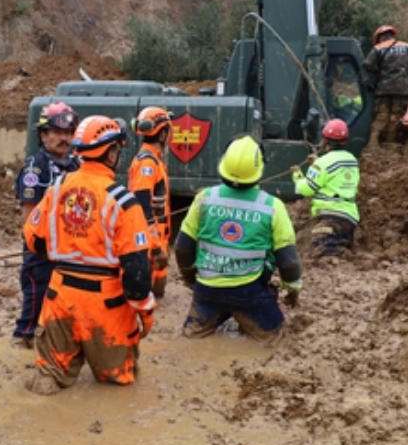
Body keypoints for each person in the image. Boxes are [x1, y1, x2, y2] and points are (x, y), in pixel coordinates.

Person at [22, 115, 154, 394]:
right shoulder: (124, 202)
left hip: (60, 297)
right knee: (118, 384)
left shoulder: (56, 189)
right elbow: (137, 273)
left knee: (47, 380)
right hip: (107, 306)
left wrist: (71, 247)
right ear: (111, 153)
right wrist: (146, 310)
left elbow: (33, 239)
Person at [174, 135, 302, 342]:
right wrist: (292, 290)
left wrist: (191, 279)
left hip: (207, 289)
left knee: (192, 337)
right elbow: (289, 262)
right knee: (275, 339)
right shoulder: (272, 207)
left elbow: (182, 248)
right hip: (250, 293)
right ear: (259, 169)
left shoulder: (204, 198)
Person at [13, 101, 80, 348]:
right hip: (41, 246)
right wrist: (42, 244)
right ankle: (24, 337)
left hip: (70, 246)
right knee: (36, 292)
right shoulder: (35, 170)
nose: (64, 138)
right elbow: (29, 215)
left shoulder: (76, 166)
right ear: (43, 135)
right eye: (58, 132)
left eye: (69, 132)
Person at [290, 118, 360, 258]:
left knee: (322, 253)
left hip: (329, 217)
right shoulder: (352, 160)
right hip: (349, 219)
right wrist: (317, 163)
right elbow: (336, 175)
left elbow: (306, 190)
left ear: (324, 141)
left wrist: (297, 175)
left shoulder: (322, 163)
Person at [127, 106, 173, 298]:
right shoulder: (147, 163)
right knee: (146, 295)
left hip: (157, 238)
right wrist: (154, 247)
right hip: (150, 241)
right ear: (162, 134)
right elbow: (142, 206)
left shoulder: (154, 160)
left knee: (156, 294)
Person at [363, 24, 408, 148]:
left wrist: (377, 73)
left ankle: (373, 143)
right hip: (402, 88)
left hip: (383, 88)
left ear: (380, 37)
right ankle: (391, 143)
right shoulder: (407, 47)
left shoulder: (378, 48)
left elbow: (368, 65)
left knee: (381, 115)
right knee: (397, 115)